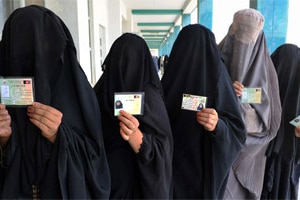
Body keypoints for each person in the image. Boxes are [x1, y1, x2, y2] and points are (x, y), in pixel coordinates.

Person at [0, 5, 111, 199]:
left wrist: (60, 137)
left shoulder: (79, 94)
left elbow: (97, 163)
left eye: (41, 47)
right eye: (20, 49)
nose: (33, 59)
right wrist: (5, 140)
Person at [161, 24, 247, 199]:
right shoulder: (168, 81)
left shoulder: (218, 78)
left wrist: (218, 125)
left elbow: (236, 130)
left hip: (200, 170)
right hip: (171, 171)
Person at [93, 33, 173, 199]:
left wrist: (138, 139)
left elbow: (163, 148)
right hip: (104, 184)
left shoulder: (149, 97)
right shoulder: (100, 93)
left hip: (131, 185)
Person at [218, 8, 282, 199]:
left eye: (249, 40)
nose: (243, 46)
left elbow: (268, 121)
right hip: (218, 149)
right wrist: (225, 90)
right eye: (239, 38)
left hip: (248, 158)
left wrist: (242, 98)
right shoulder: (216, 61)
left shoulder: (267, 73)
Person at [261, 44, 300, 199]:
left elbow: (252, 96)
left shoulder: (265, 91)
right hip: (285, 171)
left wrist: (237, 91)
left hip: (262, 159)